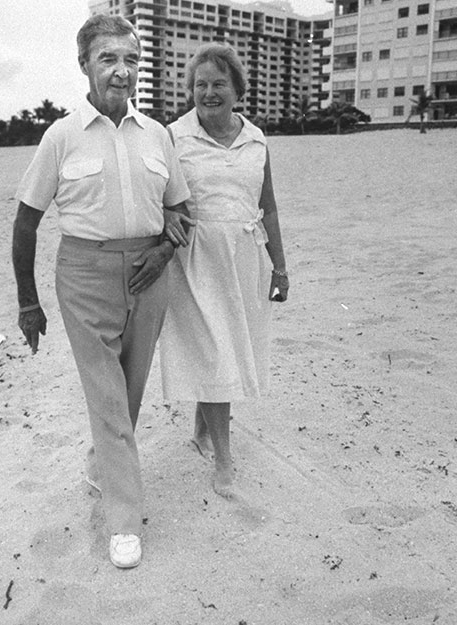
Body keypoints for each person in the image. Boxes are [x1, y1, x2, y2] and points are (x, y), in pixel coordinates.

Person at [11, 15, 190, 569]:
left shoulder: (157, 134)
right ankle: (123, 520)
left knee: (130, 390)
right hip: (85, 276)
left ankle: (101, 466)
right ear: (85, 65)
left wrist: (165, 249)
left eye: (131, 59)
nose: (121, 70)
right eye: (108, 58)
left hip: (151, 272)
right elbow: (25, 224)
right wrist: (27, 301)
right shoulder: (60, 136)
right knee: (107, 395)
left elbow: (181, 209)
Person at [159, 43, 289, 500]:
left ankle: (201, 430)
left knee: (228, 346)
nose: (208, 92)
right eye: (200, 85)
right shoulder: (173, 137)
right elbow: (161, 201)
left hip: (245, 258)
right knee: (216, 351)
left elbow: (266, 205)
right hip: (196, 260)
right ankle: (224, 458)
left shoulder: (256, 139)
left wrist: (281, 267)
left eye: (218, 84)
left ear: (238, 90)